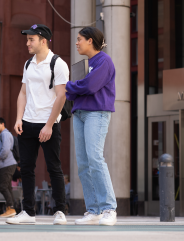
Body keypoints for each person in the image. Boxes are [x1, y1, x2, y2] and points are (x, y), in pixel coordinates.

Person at [8, 24, 69, 226]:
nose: (27, 43)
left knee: (54, 168)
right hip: (27, 123)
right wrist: (18, 118)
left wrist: (49, 125)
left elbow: (61, 96)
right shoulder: (28, 64)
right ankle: (28, 212)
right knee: (26, 168)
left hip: (48, 123)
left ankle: (60, 210)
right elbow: (23, 93)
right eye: (27, 39)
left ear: (43, 40)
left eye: (31, 39)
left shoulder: (58, 64)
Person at [65, 27, 117, 226]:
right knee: (83, 163)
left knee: (95, 158)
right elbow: (74, 93)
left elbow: (89, 86)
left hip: (97, 112)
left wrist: (69, 85)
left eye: (79, 39)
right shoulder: (85, 64)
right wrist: (74, 87)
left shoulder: (104, 61)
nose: (76, 43)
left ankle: (109, 208)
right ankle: (94, 210)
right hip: (79, 113)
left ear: (90, 41)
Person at [0, 117, 18, 218]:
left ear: (3, 124)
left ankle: (11, 208)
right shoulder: (2, 135)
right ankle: (10, 209)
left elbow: (6, 149)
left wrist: (0, 157)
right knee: (7, 187)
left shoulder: (5, 134)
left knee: (3, 186)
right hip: (6, 164)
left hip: (7, 163)